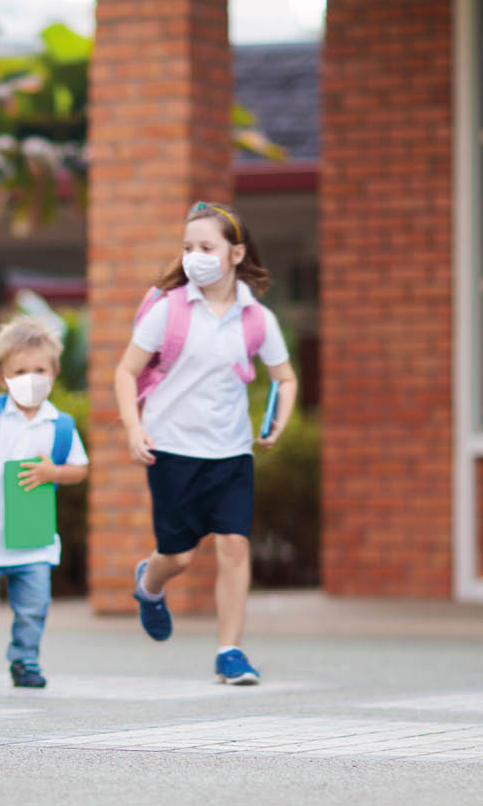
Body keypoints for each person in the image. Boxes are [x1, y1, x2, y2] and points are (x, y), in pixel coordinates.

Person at [114, 200, 297, 685]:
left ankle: (230, 651)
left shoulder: (257, 318)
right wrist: (133, 428)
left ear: (236, 254)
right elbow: (126, 371)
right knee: (178, 556)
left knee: (234, 546)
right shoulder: (169, 310)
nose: (195, 256)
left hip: (231, 452)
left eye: (207, 247)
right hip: (171, 448)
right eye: (188, 247)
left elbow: (286, 378)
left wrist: (278, 421)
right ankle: (150, 585)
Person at [0, 316, 89, 688]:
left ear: (54, 373)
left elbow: (79, 469)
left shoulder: (59, 424)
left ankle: (25, 659)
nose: (31, 378)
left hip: (35, 539)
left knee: (33, 607)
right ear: (2, 375)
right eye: (20, 371)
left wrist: (54, 472)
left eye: (40, 370)